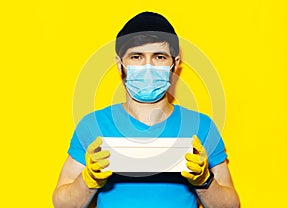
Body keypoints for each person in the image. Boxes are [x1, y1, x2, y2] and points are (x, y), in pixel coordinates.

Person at [52, 11, 240, 208]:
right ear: (120, 64)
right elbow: (62, 203)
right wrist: (88, 181)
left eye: (159, 57)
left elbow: (230, 205)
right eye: (136, 56)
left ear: (174, 64)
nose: (147, 67)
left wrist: (204, 182)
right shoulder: (94, 125)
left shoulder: (201, 126)